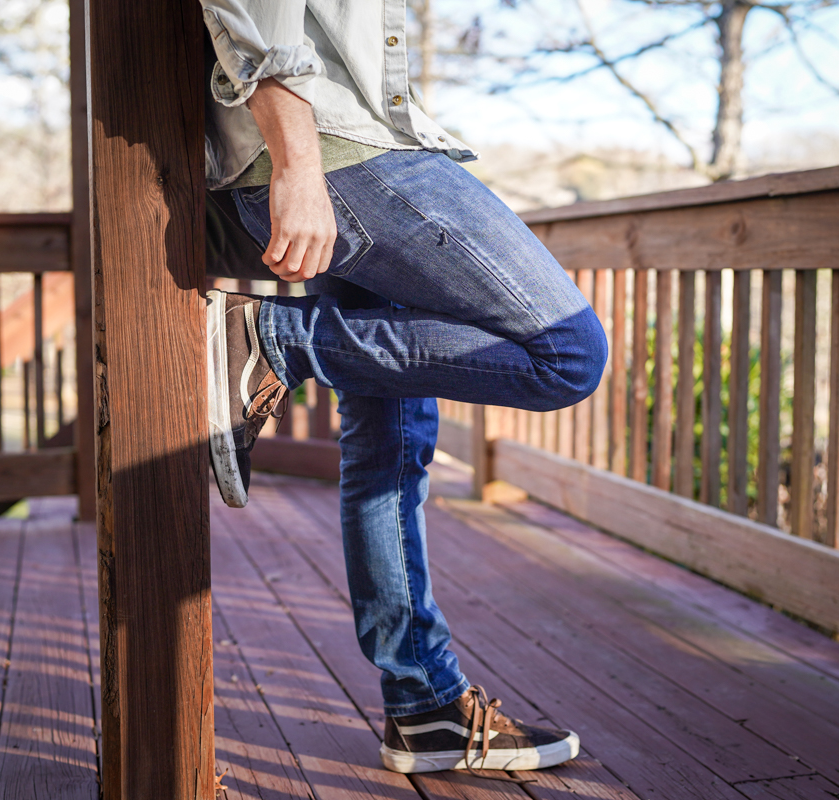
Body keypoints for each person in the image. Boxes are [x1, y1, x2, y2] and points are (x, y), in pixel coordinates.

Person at [201, 0, 607, 775]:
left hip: (338, 150)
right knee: (566, 353)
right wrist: (298, 167)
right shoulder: (318, 154)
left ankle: (423, 707)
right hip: (342, 154)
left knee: (391, 441)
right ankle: (270, 339)